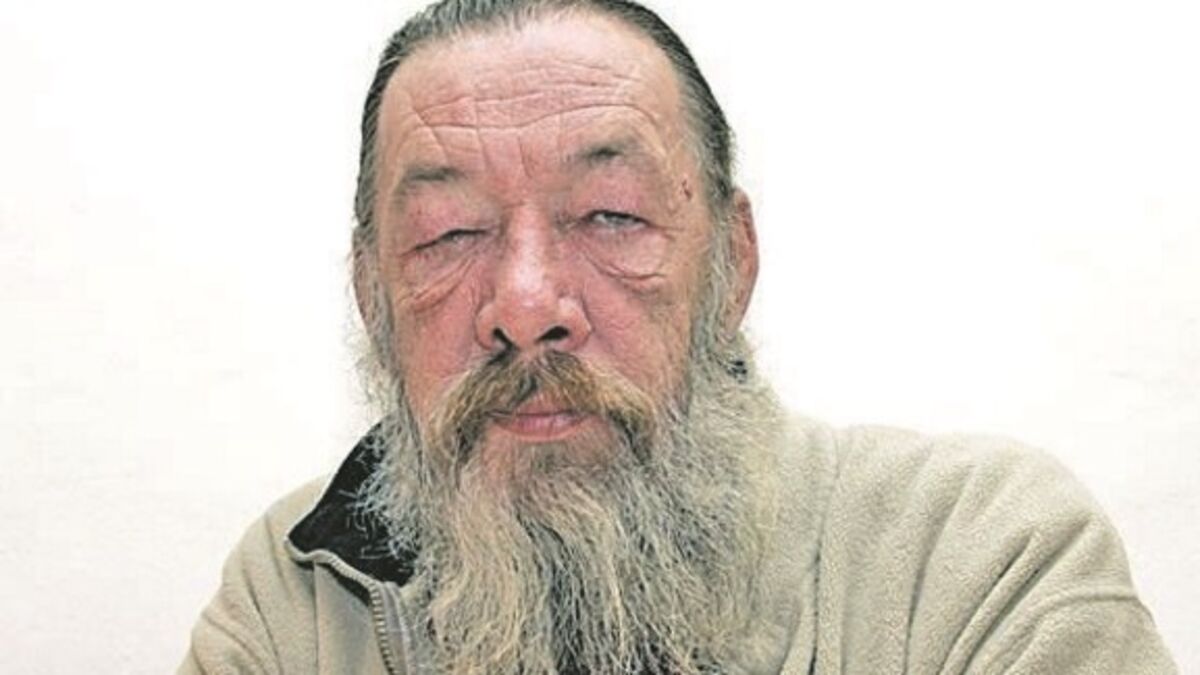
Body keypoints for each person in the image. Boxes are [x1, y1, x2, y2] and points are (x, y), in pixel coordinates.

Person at [181, 1, 1177, 673]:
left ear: (731, 263)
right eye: (449, 233)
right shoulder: (302, 598)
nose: (525, 302)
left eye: (611, 216)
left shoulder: (972, 556)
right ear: (372, 294)